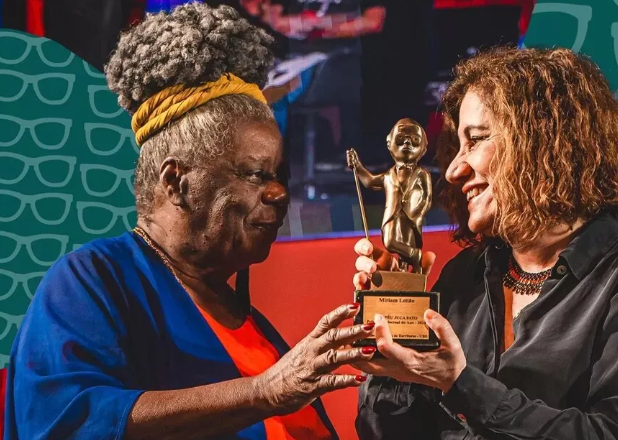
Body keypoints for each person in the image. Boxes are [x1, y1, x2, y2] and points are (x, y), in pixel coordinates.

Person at [3, 4, 377, 439]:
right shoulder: (90, 280)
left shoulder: (248, 322)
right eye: (256, 174)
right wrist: (264, 391)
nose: (278, 193)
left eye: (280, 176)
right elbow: (68, 421)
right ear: (176, 182)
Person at [352, 48, 618, 439]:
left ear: (543, 142)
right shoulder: (463, 276)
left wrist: (461, 384)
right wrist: (391, 334)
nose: (454, 170)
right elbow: (388, 432)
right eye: (456, 146)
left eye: (475, 140)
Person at [346, 119, 433, 272]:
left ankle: (409, 269)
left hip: (411, 217)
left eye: (415, 140)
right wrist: (357, 166)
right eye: (400, 138)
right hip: (392, 215)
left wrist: (418, 211)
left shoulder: (422, 174)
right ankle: (414, 256)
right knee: (390, 241)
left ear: (424, 149)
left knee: (407, 243)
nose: (407, 143)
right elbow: (370, 181)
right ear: (389, 143)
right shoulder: (389, 176)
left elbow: (427, 197)